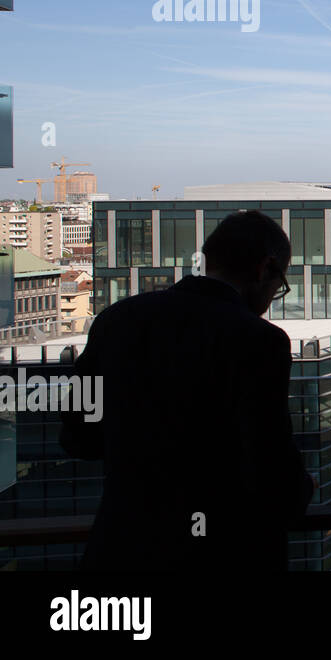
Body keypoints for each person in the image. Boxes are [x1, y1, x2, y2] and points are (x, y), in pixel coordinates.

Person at [60, 209, 314, 570]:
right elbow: (269, 459)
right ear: (265, 269)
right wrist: (302, 490)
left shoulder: (116, 320)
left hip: (123, 547)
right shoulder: (259, 341)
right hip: (222, 553)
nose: (273, 297)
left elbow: (78, 437)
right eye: (279, 287)